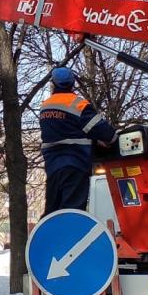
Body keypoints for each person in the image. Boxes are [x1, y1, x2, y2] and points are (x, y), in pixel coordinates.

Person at [39, 67, 116, 214]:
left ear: (53, 84)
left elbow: (62, 133)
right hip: (75, 164)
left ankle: (48, 236)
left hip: (53, 167)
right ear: (72, 84)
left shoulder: (45, 107)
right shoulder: (78, 105)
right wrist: (112, 141)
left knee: (53, 211)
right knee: (72, 212)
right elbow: (106, 133)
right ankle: (71, 236)